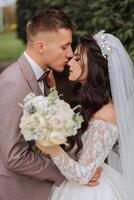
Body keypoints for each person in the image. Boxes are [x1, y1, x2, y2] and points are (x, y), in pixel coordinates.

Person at [0, 9, 100, 200]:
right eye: (65, 47)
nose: (70, 54)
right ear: (40, 46)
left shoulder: (43, 76)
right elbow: (14, 156)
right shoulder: (13, 83)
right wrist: (68, 173)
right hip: (18, 190)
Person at [36, 30, 134, 199]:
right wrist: (52, 91)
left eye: (77, 58)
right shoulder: (95, 103)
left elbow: (83, 174)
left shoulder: (106, 114)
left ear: (95, 66)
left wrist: (51, 148)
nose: (70, 62)